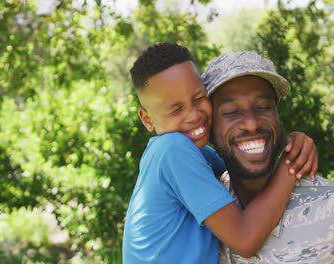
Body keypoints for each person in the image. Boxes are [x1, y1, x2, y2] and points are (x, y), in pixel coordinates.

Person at [202, 51, 334, 263]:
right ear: (209, 129)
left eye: (263, 107)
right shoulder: (197, 212)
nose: (251, 123)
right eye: (230, 112)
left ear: (277, 116)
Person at [122, 43, 318, 263]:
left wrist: (297, 144)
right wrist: (290, 165)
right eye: (176, 109)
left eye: (198, 98)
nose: (194, 115)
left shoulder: (194, 154)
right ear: (147, 119)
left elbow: (245, 169)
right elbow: (245, 239)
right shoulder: (172, 150)